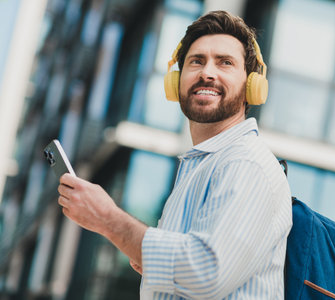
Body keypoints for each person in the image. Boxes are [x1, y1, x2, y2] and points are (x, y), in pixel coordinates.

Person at [57, 10, 292, 299]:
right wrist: (146, 253)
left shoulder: (246, 163)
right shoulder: (201, 166)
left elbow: (206, 272)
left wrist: (109, 219)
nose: (207, 72)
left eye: (225, 63)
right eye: (197, 61)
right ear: (175, 82)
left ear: (252, 87)